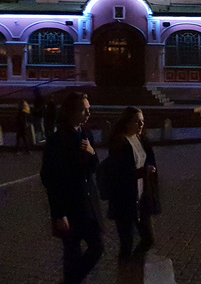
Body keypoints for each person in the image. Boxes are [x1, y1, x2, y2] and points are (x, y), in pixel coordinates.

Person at [42, 92, 104, 284]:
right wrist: (59, 214)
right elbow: (50, 179)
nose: (88, 114)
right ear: (70, 112)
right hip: (69, 207)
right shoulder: (56, 141)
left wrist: (93, 154)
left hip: (88, 204)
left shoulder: (86, 134)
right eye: (83, 110)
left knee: (98, 246)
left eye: (89, 110)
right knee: (71, 254)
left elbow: (93, 169)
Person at [102, 107, 161, 259]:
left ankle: (133, 267)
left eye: (142, 121)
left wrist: (150, 166)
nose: (141, 125)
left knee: (148, 238)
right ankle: (125, 273)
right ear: (127, 123)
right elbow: (120, 173)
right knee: (126, 242)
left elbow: (149, 157)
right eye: (137, 121)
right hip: (124, 200)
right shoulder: (119, 144)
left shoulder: (141, 139)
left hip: (141, 198)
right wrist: (143, 172)